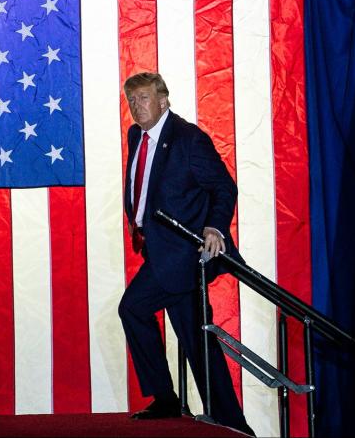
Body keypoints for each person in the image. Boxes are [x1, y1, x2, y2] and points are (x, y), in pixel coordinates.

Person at [118, 72, 254, 436]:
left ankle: (167, 399)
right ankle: (232, 424)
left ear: (164, 100)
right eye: (132, 99)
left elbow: (223, 187)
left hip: (184, 251)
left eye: (144, 98)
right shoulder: (137, 135)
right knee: (197, 338)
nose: (137, 105)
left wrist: (215, 228)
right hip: (160, 249)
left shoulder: (189, 139)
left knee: (132, 307)